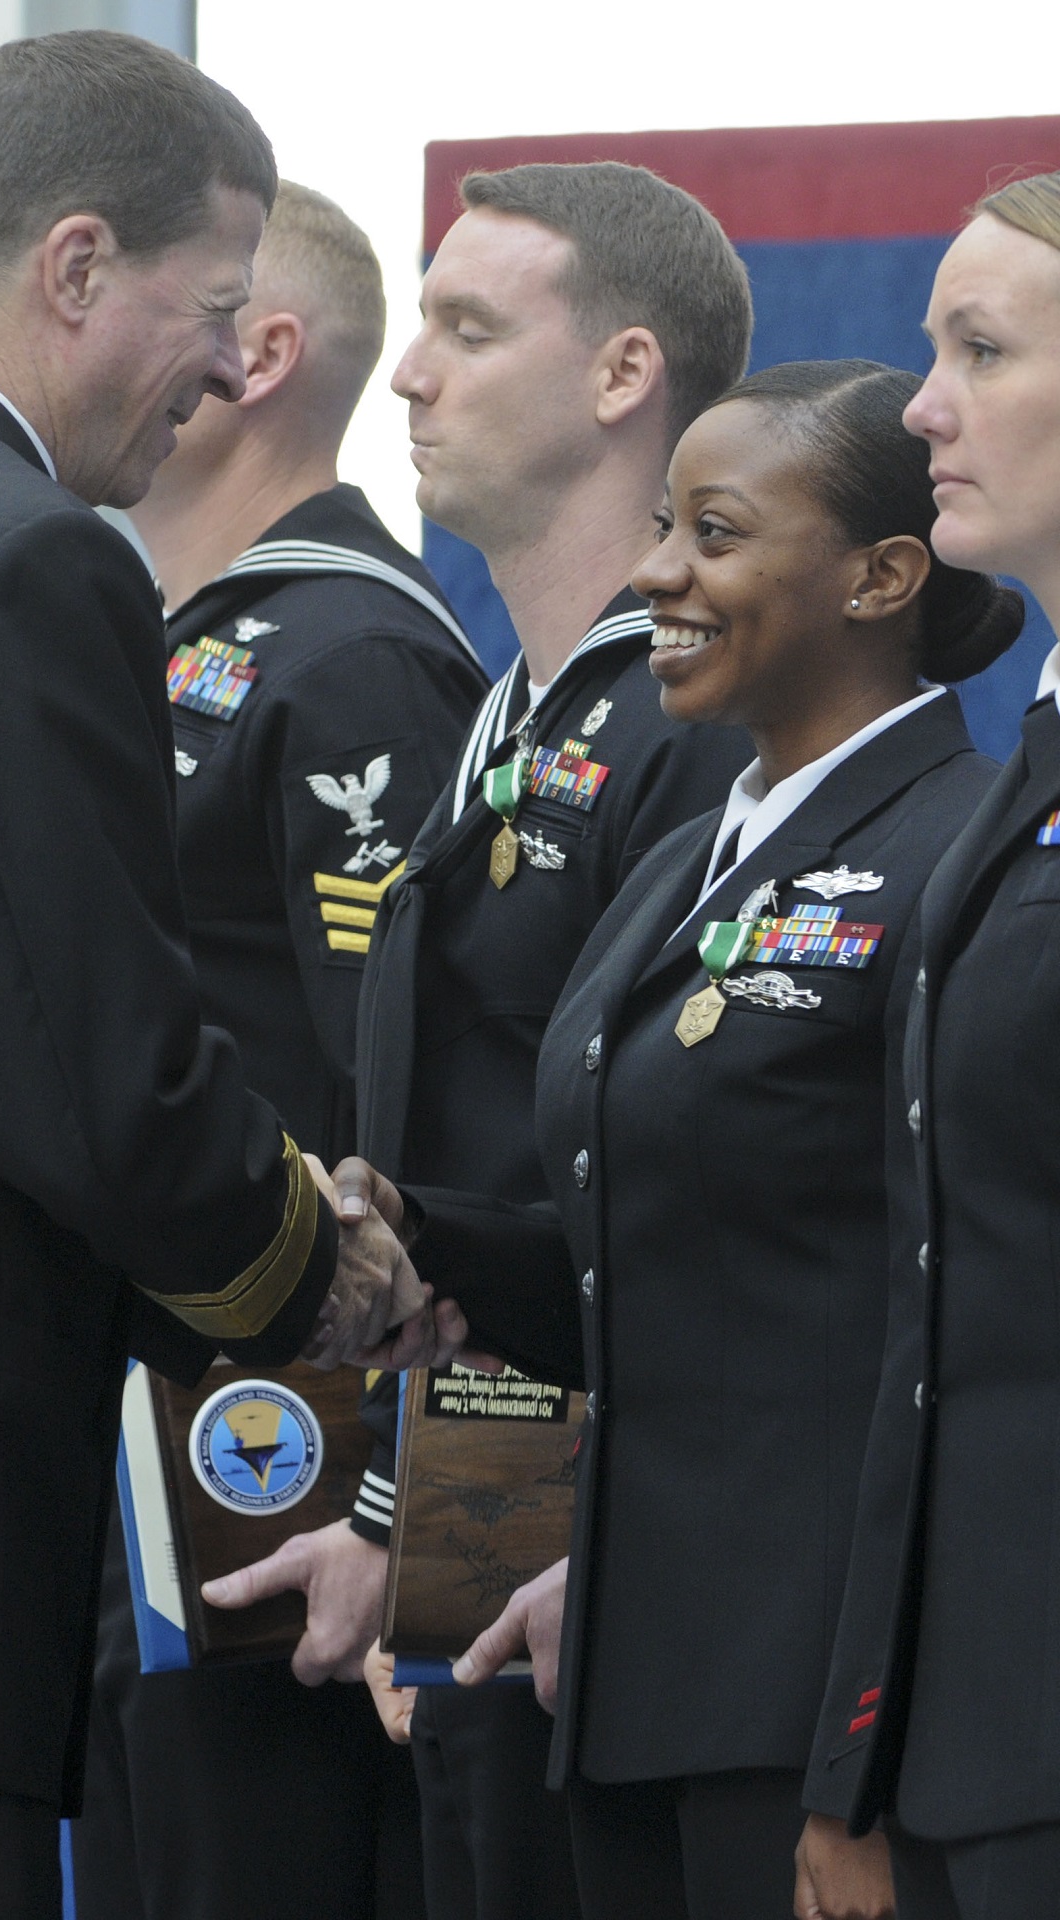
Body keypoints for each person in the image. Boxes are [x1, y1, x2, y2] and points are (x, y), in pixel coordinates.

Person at [0, 36, 454, 1920]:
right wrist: (320, 1263)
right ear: (77, 269)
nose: (240, 370)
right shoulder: (21, 565)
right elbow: (96, 1081)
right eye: (218, 307)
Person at [205, 161, 755, 1920]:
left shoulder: (679, 730)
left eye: (467, 326)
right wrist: (393, 1515)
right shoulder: (515, 709)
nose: (412, 377)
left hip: (589, 1555)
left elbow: (635, 1209)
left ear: (623, 379)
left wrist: (452, 1531)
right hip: (480, 1531)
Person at [430, 358, 1022, 1919]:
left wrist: (865, 1746)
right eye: (658, 525)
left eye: (714, 532)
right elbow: (635, 1259)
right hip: (632, 1683)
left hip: (823, 1705)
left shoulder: (965, 849)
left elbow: (943, 1319)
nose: (654, 575)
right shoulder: (694, 850)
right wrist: (399, 1243)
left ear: (883, 577)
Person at [70, 179, 486, 1920]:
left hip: (270, 1479)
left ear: (256, 356)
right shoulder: (168, 637)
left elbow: (410, 1123)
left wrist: (407, 1511)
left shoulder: (356, 653)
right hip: (135, 1447)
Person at [796, 173, 1060, 1920]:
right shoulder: (1018, 764)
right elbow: (934, 1303)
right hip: (984, 1717)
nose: (921, 407)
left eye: (980, 349)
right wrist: (863, 1748)